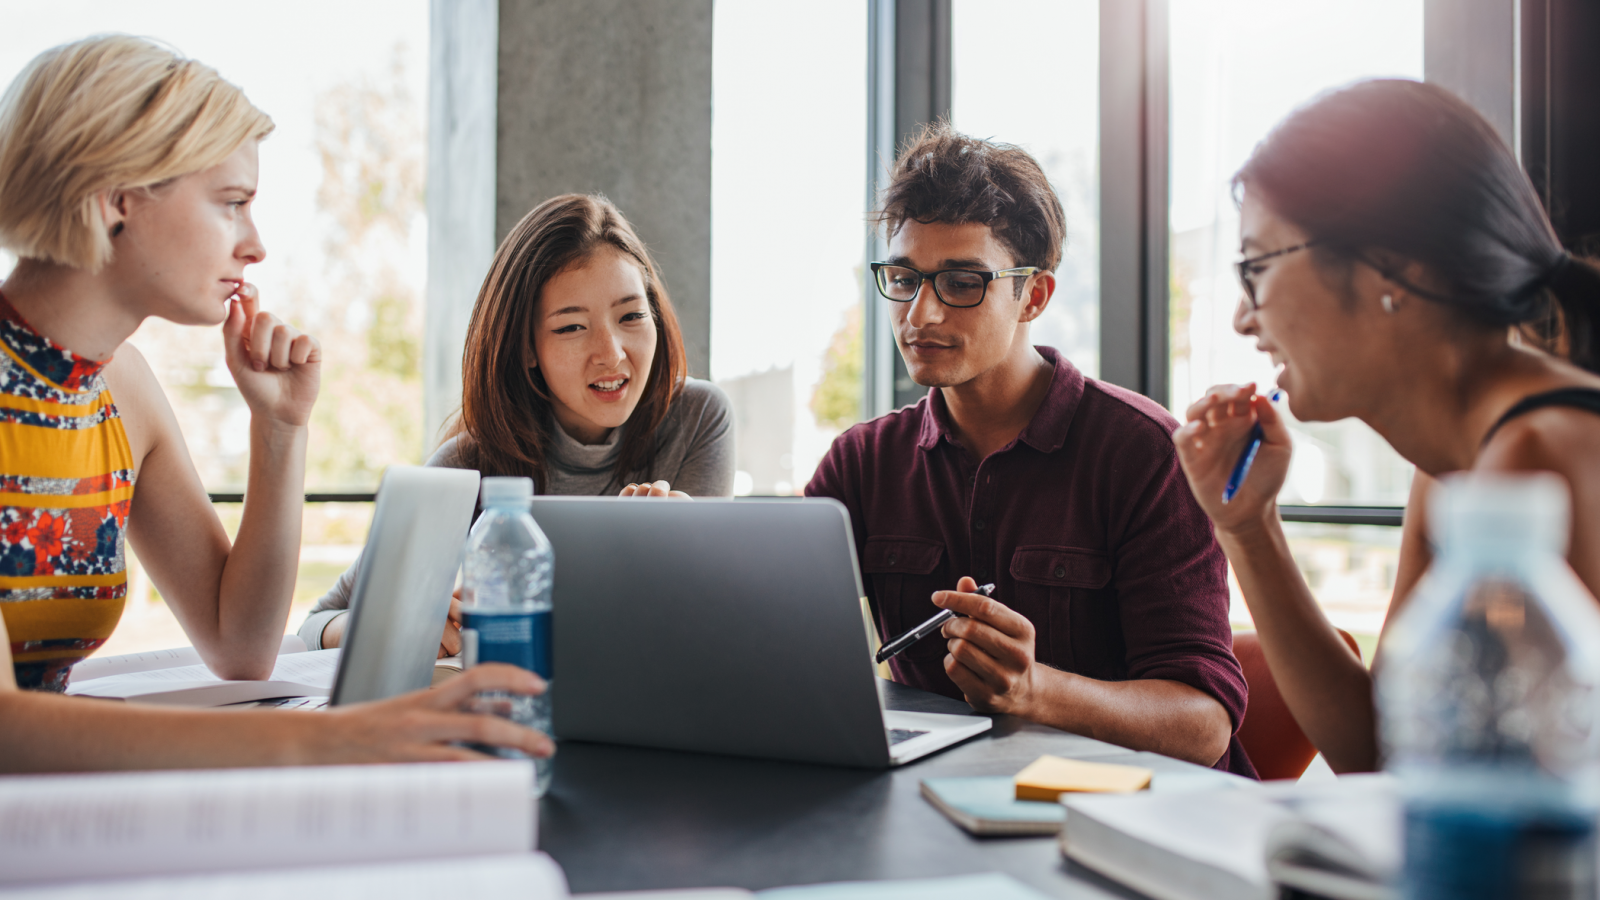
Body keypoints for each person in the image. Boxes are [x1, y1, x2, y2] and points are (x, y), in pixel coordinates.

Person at [0, 35, 548, 771]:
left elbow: (240, 646)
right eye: (232, 204)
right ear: (117, 200)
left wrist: (280, 427)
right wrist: (331, 738)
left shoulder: (120, 388)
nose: (256, 245)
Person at [1173, 79, 1600, 775]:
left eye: (1257, 268)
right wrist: (1245, 526)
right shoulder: (1454, 464)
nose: (1243, 319)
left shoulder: (1539, 453)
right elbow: (1381, 753)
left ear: (1389, 267)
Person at [805, 123, 1252, 774]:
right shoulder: (862, 462)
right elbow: (772, 641)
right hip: (940, 813)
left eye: (962, 283)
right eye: (904, 278)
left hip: (1135, 822)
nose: (920, 315)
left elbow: (1205, 727)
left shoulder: (1144, 452)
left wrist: (1037, 691)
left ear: (1033, 295)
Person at [299, 193, 734, 653]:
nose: (611, 353)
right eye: (571, 327)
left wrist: (692, 549)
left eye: (631, 316)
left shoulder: (698, 417)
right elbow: (317, 621)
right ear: (526, 348)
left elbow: (702, 626)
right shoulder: (469, 463)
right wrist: (398, 626)